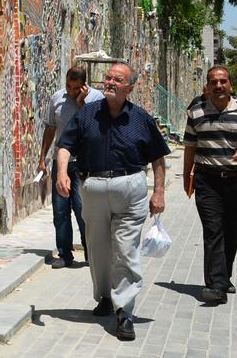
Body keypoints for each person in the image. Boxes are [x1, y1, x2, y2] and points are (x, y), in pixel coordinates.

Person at [56, 61, 170, 342]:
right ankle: (105, 297)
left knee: (125, 249)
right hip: (93, 186)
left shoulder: (141, 118)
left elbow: (158, 157)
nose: (110, 82)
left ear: (129, 88)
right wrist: (61, 173)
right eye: (108, 78)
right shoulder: (87, 114)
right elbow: (65, 146)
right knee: (97, 249)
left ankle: (125, 312)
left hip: (130, 188)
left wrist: (159, 192)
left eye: (117, 80)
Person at [183, 65, 237, 304]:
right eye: (213, 82)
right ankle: (216, 285)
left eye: (223, 81)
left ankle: (224, 276)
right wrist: (187, 175)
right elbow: (189, 147)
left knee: (231, 231)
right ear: (207, 87)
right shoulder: (196, 112)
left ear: (230, 85)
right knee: (212, 230)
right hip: (207, 180)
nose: (218, 86)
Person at [38, 66, 104, 268]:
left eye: (75, 88)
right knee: (60, 210)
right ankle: (65, 253)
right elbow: (50, 128)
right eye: (68, 85)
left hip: (85, 163)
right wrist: (43, 158)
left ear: (84, 85)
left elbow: (96, 126)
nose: (70, 90)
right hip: (62, 163)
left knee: (83, 209)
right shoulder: (57, 98)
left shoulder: (96, 99)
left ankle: (92, 253)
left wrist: (81, 103)